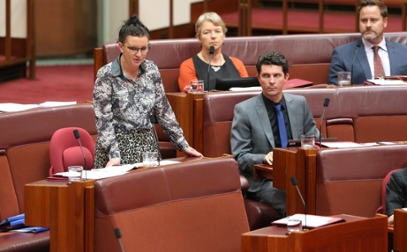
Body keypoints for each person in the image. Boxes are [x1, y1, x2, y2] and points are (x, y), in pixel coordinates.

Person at [93, 15, 203, 168]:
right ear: (120, 46)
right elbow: (104, 120)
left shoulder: (151, 70)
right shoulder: (106, 75)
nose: (139, 54)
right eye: (133, 48)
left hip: (147, 145)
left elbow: (163, 110)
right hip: (117, 147)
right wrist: (113, 154)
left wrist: (182, 144)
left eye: (144, 49)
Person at [230, 51, 320, 217]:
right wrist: (263, 157)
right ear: (258, 78)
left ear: (286, 77)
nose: (271, 81)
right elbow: (240, 156)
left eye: (277, 75)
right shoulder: (244, 110)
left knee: (324, 196)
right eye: (266, 75)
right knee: (294, 200)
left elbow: (314, 138)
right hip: (265, 182)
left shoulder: (300, 104)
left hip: (300, 174)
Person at [328, 0, 407, 85]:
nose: (368, 25)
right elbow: (336, 92)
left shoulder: (404, 52)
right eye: (364, 20)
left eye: (373, 20)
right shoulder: (343, 54)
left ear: (385, 22)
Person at [178, 12, 248, 92]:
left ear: (224, 35)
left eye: (217, 31)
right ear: (199, 37)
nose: (213, 36)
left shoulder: (237, 64)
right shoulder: (188, 66)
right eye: (207, 32)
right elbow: (194, 99)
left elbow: (246, 95)